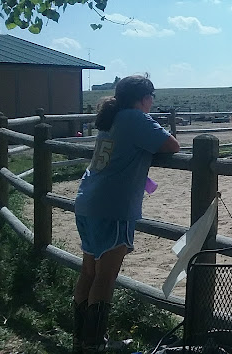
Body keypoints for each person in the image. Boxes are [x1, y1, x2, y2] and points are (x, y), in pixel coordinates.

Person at [72, 75, 180, 352]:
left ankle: (81, 338)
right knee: (105, 276)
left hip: (87, 200)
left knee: (88, 272)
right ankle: (95, 343)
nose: (152, 102)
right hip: (112, 206)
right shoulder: (135, 118)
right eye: (151, 97)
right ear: (144, 98)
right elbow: (172, 145)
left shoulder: (112, 117)